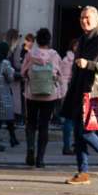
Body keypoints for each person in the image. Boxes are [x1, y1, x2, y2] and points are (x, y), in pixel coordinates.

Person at [62, 7, 98, 185]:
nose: (83, 21)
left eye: (87, 18)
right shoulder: (81, 40)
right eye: (81, 18)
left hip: (94, 93)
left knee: (84, 132)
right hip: (78, 92)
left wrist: (89, 64)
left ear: (96, 19)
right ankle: (83, 172)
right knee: (78, 135)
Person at [21, 28, 62, 169]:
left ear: (37, 41)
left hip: (31, 94)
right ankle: (40, 159)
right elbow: (59, 73)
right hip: (49, 95)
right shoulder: (54, 55)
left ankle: (30, 148)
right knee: (44, 126)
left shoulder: (30, 54)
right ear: (49, 40)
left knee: (31, 123)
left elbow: (23, 72)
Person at [0, 42, 20, 151]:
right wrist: (14, 72)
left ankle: (12, 138)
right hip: (2, 94)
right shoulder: (5, 63)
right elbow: (10, 78)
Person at [59, 39, 77, 155]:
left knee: (75, 121)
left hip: (75, 92)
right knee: (69, 121)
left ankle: (75, 145)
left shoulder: (78, 58)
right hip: (69, 93)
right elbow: (63, 78)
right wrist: (64, 94)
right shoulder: (67, 60)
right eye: (76, 45)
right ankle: (66, 146)